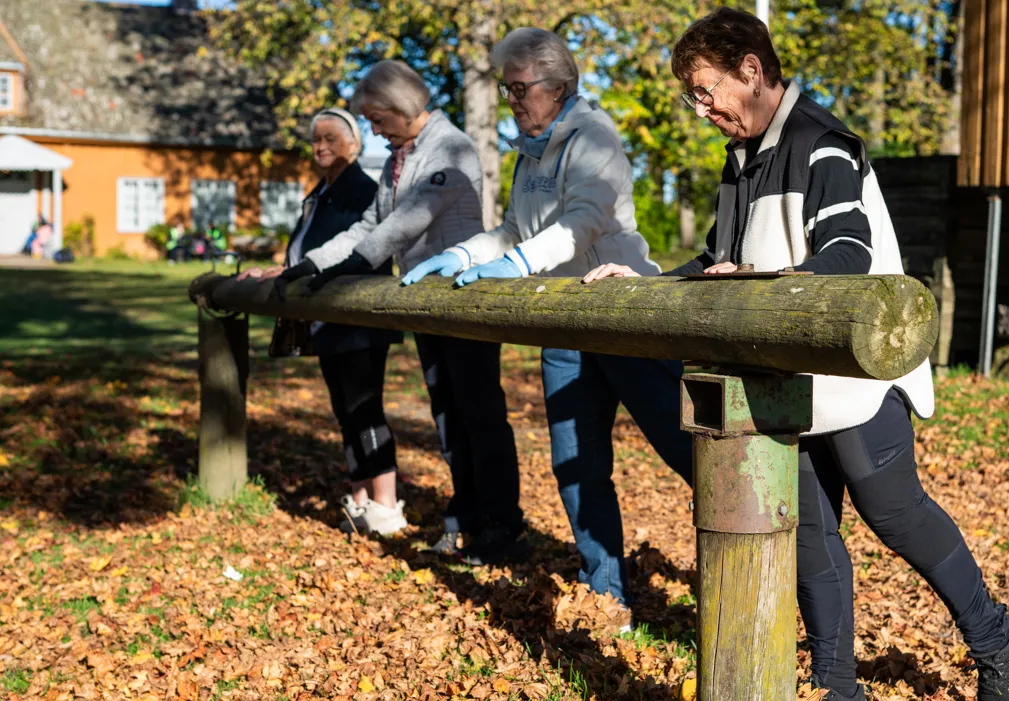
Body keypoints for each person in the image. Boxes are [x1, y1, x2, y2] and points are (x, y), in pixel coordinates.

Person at [586, 9, 1009, 701]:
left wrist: (754, 280)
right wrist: (644, 283)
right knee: (809, 532)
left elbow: (846, 257)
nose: (701, 110)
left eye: (706, 92)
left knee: (892, 512)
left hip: (858, 370)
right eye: (692, 98)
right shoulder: (741, 159)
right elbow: (717, 260)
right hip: (786, 375)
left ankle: (998, 637)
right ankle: (840, 693)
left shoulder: (822, 143)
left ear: (752, 72)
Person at [402, 28, 692, 627]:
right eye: (506, 91)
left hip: (621, 316)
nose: (512, 102)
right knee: (576, 464)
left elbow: (586, 218)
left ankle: (762, 554)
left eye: (520, 89)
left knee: (687, 451)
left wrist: (518, 265)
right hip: (562, 320)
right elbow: (514, 229)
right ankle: (606, 593)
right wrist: (465, 256)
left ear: (558, 86)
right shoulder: (530, 151)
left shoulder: (595, 138)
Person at [275, 61, 525, 558]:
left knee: (480, 413)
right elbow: (370, 221)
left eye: (376, 118)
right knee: (447, 415)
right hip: (425, 304)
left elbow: (407, 222)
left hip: (463, 298)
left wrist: (355, 262)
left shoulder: (449, 147)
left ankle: (502, 525)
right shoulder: (397, 156)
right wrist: (309, 263)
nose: (372, 129)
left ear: (401, 108)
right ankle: (464, 516)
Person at [236, 107, 406, 534]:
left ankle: (386, 505)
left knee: (365, 408)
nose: (321, 146)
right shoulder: (322, 192)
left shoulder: (362, 191)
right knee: (343, 410)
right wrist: (283, 270)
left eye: (331, 138)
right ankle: (361, 497)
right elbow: (307, 250)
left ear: (355, 144)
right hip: (325, 318)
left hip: (358, 315)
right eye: (316, 139)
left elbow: (360, 249)